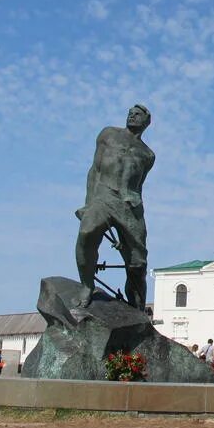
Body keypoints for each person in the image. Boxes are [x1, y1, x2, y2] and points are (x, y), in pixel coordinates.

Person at [74, 105, 154, 309]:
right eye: (130, 112)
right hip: (104, 195)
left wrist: (127, 233)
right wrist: (88, 203)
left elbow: (139, 184)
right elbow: (95, 170)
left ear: (146, 121)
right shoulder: (109, 134)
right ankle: (87, 285)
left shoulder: (148, 155)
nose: (132, 115)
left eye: (137, 114)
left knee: (138, 263)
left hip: (131, 205)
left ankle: (137, 307)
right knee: (86, 233)